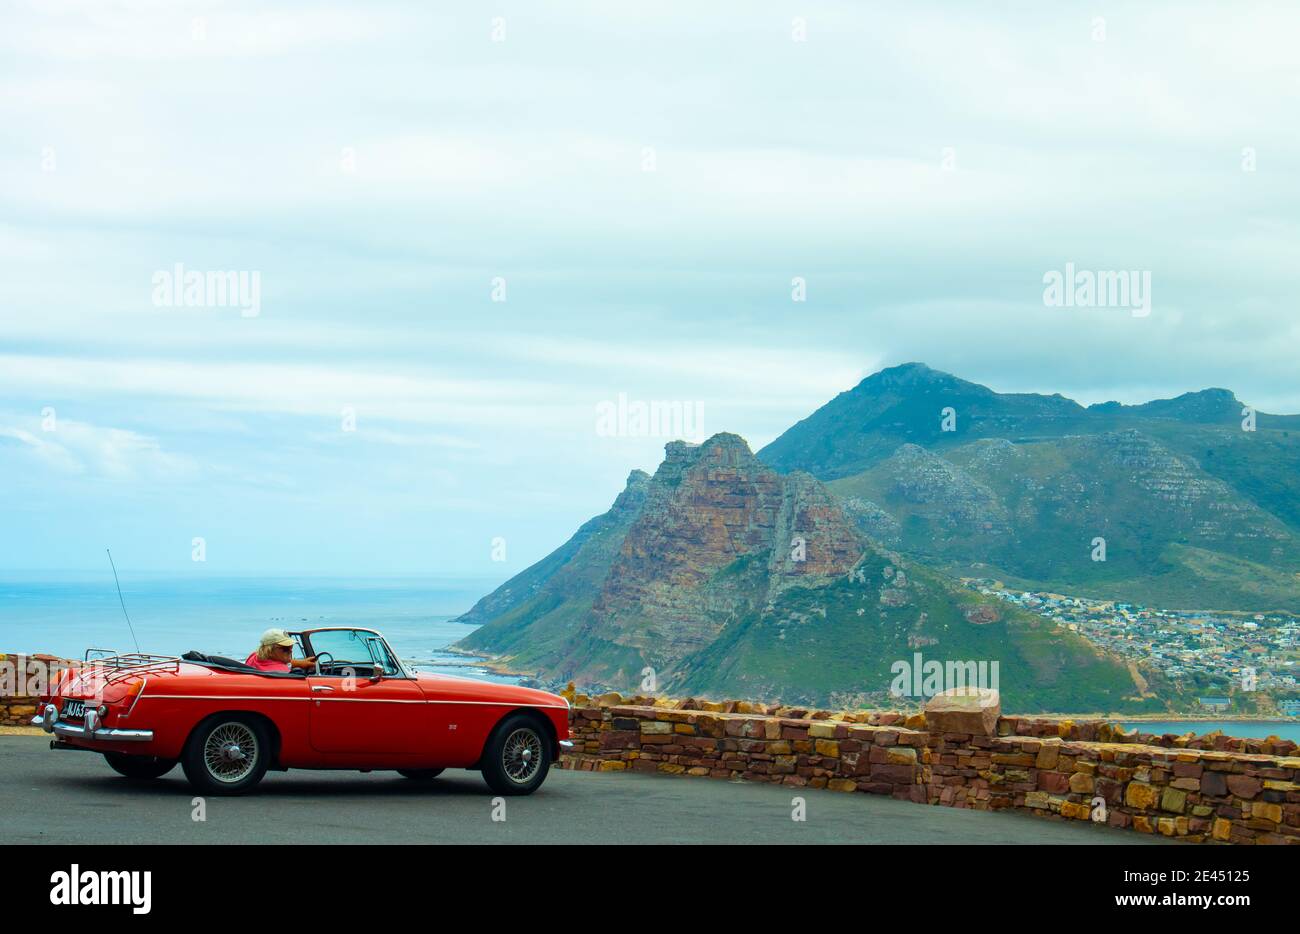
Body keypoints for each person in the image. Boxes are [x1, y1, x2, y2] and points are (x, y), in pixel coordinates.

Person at [244, 629, 316, 673]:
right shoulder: (282, 672)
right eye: (286, 648)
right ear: (269, 650)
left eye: (291, 647)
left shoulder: (254, 657)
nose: (290, 651)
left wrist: (301, 663)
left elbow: (278, 663)